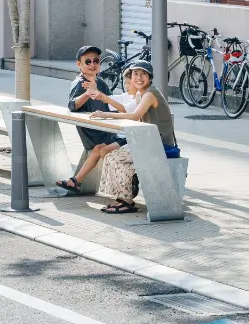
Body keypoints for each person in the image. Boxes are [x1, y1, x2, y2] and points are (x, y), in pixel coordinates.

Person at [90, 61, 180, 214]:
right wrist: (106, 102)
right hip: (148, 142)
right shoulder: (141, 94)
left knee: (115, 157)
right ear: (130, 78)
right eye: (135, 74)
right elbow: (129, 112)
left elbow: (134, 116)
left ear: (150, 77)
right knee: (112, 155)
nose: (139, 77)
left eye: (143, 74)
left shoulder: (150, 94)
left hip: (160, 145)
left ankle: (126, 199)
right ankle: (122, 198)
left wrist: (105, 114)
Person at [58, 46, 121, 193]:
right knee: (106, 149)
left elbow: (112, 102)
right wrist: (88, 93)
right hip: (96, 134)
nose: (93, 65)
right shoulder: (79, 83)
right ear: (79, 64)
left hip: (107, 129)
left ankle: (75, 182)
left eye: (96, 61)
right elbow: (72, 105)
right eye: (88, 61)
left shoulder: (100, 82)